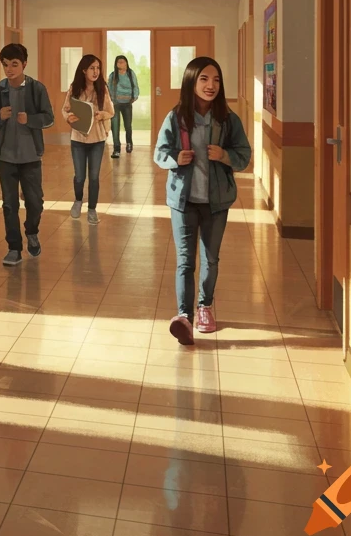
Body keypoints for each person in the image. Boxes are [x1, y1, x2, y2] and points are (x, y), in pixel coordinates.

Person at [153, 57, 252, 345]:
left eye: (216, 80)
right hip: (183, 201)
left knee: (210, 258)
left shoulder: (228, 120)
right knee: (185, 261)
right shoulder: (176, 117)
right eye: (204, 79)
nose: (211, 86)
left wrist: (224, 155)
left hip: (216, 202)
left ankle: (205, 306)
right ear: (191, 82)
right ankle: (184, 316)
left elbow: (244, 155)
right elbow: (160, 153)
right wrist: (174, 159)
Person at [0, 43, 54, 266]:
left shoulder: (36, 89)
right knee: (9, 204)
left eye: (14, 64)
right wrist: (0, 117)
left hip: (31, 156)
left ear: (24, 64)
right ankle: (13, 247)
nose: (9, 69)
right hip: (6, 157)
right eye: (5, 65)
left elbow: (49, 118)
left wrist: (30, 120)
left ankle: (31, 231)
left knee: (36, 203)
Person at [62, 54, 115, 224]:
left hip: (97, 139)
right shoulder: (74, 89)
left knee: (94, 176)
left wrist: (101, 115)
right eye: (92, 68)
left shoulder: (102, 89)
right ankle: (78, 201)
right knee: (79, 176)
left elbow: (110, 111)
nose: (96, 71)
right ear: (84, 70)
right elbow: (65, 109)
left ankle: (92, 209)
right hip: (78, 138)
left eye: (98, 68)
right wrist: (68, 117)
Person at [108, 55, 140, 158]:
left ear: (126, 63)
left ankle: (129, 143)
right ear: (116, 64)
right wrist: (111, 100)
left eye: (122, 62)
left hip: (127, 103)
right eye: (118, 62)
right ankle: (116, 149)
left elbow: (135, 86)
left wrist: (134, 97)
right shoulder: (113, 75)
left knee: (128, 126)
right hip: (116, 103)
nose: (121, 64)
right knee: (115, 126)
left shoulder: (131, 74)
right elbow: (109, 88)